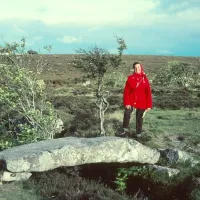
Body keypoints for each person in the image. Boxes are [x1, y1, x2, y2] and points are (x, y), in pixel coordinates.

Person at [119, 62, 152, 138]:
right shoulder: (130, 78)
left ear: (141, 68)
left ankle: (138, 134)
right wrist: (127, 102)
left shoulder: (145, 80)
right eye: (136, 68)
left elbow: (148, 93)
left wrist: (149, 105)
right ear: (134, 69)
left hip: (142, 102)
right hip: (131, 100)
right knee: (127, 114)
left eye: (139, 67)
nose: (138, 69)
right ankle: (125, 130)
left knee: (139, 118)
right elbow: (126, 92)